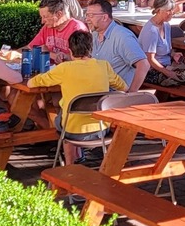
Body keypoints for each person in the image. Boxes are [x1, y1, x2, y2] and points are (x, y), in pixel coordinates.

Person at [29, 29, 128, 164]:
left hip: (73, 130)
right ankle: (80, 156)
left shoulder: (64, 68)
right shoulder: (103, 66)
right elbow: (123, 87)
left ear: (70, 50)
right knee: (68, 114)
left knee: (63, 117)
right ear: (91, 48)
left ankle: (70, 162)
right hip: (101, 129)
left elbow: (33, 82)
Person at [83, 0, 148, 92]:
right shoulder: (94, 34)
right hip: (97, 92)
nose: (87, 19)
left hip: (115, 96)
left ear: (105, 17)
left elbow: (144, 64)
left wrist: (132, 93)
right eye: (87, 15)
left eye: (91, 15)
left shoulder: (123, 36)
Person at [137, 0, 185, 86]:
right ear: (158, 10)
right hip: (152, 70)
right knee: (183, 79)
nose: (172, 13)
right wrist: (168, 72)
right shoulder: (151, 30)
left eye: (172, 10)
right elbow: (150, 60)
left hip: (167, 66)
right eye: (168, 11)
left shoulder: (166, 25)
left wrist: (174, 54)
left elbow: (167, 50)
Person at [26, 0, 88, 64]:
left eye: (45, 17)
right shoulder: (48, 27)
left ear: (59, 14)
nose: (42, 21)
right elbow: (30, 47)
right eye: (41, 17)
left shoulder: (77, 28)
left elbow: (82, 60)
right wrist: (16, 53)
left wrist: (50, 54)